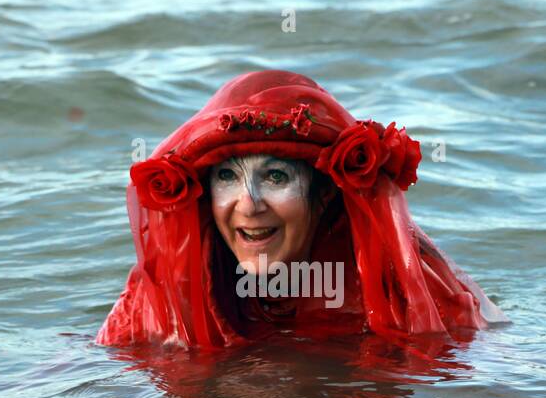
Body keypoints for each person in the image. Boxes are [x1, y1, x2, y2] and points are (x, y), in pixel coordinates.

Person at [96, 70, 505, 348]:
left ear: (324, 193)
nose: (249, 204)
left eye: (275, 177)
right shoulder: (162, 292)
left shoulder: (405, 287)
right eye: (226, 178)